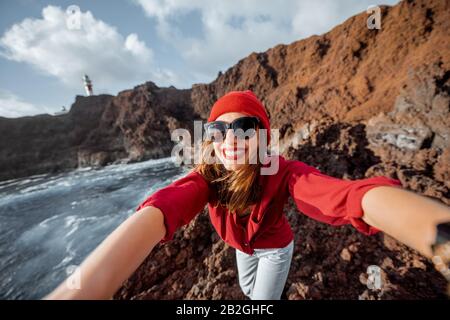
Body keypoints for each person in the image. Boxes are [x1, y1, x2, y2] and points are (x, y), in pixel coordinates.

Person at [45, 90, 450, 300]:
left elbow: (341, 197)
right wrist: (85, 287)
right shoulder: (207, 178)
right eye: (219, 131)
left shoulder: (283, 170)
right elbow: (163, 209)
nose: (231, 139)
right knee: (243, 291)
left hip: (275, 249)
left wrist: (435, 232)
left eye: (245, 128)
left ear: (263, 136)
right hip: (241, 249)